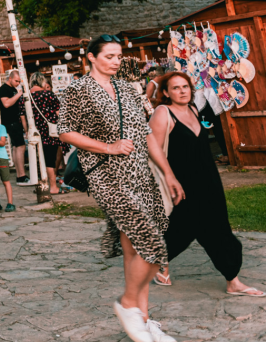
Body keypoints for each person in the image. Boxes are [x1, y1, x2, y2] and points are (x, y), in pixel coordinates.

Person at [58, 35, 185, 342]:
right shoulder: (78, 89)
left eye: (119, 56)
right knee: (153, 243)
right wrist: (108, 147)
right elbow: (65, 132)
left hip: (141, 174)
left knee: (135, 246)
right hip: (106, 175)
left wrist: (168, 174)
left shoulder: (126, 89)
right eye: (110, 56)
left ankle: (141, 320)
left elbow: (147, 136)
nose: (116, 61)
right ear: (91, 57)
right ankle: (127, 304)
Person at [149, 72, 262, 296]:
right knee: (187, 227)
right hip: (182, 182)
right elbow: (152, 146)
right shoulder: (163, 112)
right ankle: (231, 280)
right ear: (165, 93)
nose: (182, 91)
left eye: (185, 87)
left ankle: (230, 279)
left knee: (210, 225)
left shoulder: (193, 109)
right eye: (175, 88)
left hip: (208, 179)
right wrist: (170, 177)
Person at [28, 72, 64, 195]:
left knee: (39, 159)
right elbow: (59, 113)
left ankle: (42, 185)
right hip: (50, 132)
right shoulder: (49, 94)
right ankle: (53, 187)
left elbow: (23, 117)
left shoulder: (26, 97)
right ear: (42, 82)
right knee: (50, 160)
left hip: (35, 133)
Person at [0, 71, 30, 184]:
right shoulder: (3, 89)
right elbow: (6, 104)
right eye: (16, 81)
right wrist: (19, 94)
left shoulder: (13, 89)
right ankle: (21, 175)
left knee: (17, 147)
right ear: (10, 78)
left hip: (15, 121)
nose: (17, 83)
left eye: (19, 81)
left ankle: (20, 174)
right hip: (11, 122)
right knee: (20, 147)